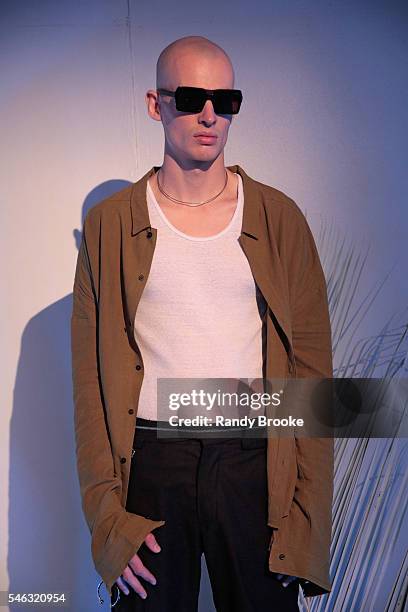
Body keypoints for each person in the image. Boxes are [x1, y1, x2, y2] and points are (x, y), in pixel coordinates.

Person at [71, 35, 334, 612]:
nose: (210, 115)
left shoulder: (279, 218)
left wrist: (307, 524)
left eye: (226, 99)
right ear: (155, 104)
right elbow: (91, 387)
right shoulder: (110, 226)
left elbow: (313, 376)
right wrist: (108, 521)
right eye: (191, 97)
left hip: (253, 457)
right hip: (152, 461)